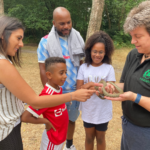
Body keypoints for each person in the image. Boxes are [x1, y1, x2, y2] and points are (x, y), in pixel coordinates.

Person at [0, 15, 95, 150]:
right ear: (3, 35)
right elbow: (34, 100)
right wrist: (73, 95)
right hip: (5, 131)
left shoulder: (4, 60)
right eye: (18, 38)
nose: (21, 44)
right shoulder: (2, 63)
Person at [104, 1, 150, 150]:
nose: (132, 41)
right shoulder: (134, 54)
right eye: (131, 36)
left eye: (138, 36)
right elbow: (125, 84)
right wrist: (111, 87)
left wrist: (134, 97)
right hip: (127, 124)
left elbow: (131, 93)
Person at [37, 7, 85, 150]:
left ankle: (69, 145)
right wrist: (50, 94)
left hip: (74, 89)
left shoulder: (78, 38)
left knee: (71, 120)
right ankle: (53, 144)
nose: (66, 27)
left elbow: (81, 65)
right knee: (56, 121)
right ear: (54, 23)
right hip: (57, 91)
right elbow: (43, 69)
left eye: (68, 22)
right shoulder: (45, 42)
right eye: (62, 24)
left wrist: (80, 87)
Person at [77, 31, 115, 150]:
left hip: (103, 111)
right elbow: (79, 89)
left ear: (106, 52)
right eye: (95, 51)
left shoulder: (109, 68)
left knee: (100, 138)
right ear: (89, 51)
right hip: (88, 110)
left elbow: (109, 90)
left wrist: (88, 87)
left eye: (101, 52)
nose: (97, 55)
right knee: (89, 137)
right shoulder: (83, 67)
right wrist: (92, 84)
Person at [22, 57, 69, 150]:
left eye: (65, 72)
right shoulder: (47, 95)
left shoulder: (58, 88)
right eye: (61, 73)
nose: (65, 76)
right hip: (52, 139)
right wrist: (45, 121)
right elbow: (25, 117)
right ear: (49, 75)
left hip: (60, 136)